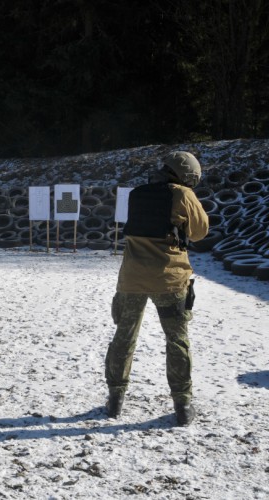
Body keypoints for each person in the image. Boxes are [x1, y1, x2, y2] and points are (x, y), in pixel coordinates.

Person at [105, 151, 209, 426]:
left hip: (132, 278)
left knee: (124, 338)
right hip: (169, 279)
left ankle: (115, 400)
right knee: (177, 341)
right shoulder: (182, 194)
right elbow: (200, 232)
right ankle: (183, 405)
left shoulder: (137, 194)